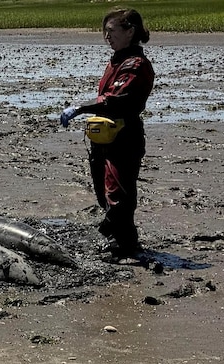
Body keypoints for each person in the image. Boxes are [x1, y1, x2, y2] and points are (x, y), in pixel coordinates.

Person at [58, 8, 155, 259]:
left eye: (111, 31)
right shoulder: (116, 61)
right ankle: (120, 240)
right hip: (104, 137)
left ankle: (121, 243)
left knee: (118, 193)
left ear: (130, 31)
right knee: (104, 190)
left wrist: (81, 108)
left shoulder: (136, 65)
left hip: (124, 136)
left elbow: (116, 100)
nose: (106, 37)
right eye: (105, 32)